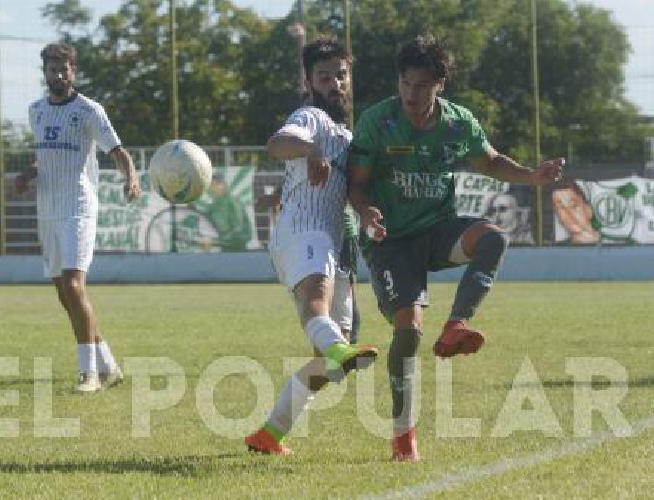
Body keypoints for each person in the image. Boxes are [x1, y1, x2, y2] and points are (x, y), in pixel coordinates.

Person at [347, 35, 564, 461]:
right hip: (388, 238)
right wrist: (366, 212)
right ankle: (403, 437)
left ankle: (456, 325)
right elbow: (356, 183)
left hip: (437, 229)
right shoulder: (378, 121)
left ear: (439, 85)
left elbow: (490, 162)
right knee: (407, 333)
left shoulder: (458, 122)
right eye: (406, 84)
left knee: (494, 238)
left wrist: (532, 177)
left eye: (421, 86)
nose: (411, 94)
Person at [245, 36, 378, 456]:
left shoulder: (347, 133)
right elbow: (278, 143)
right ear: (309, 81)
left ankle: (269, 434)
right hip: (302, 229)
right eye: (325, 76)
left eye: (341, 74)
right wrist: (312, 148)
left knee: (329, 369)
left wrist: (368, 211)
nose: (335, 83)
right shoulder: (311, 119)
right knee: (316, 308)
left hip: (334, 240)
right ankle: (339, 348)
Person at [13, 42, 142, 393]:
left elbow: (118, 151)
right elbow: (44, 157)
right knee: (64, 294)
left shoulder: (88, 110)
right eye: (52, 66)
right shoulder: (36, 111)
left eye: (63, 66)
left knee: (73, 284)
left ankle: (89, 375)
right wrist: (27, 176)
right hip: (48, 211)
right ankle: (107, 363)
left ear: (73, 71)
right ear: (45, 71)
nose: (57, 72)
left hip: (78, 208)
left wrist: (130, 176)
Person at [204, 173, 253, 252]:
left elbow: (238, 229)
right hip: (223, 249)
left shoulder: (233, 203)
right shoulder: (211, 208)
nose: (214, 188)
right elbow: (206, 227)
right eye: (211, 186)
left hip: (238, 249)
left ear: (224, 185)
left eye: (217, 184)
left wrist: (216, 241)